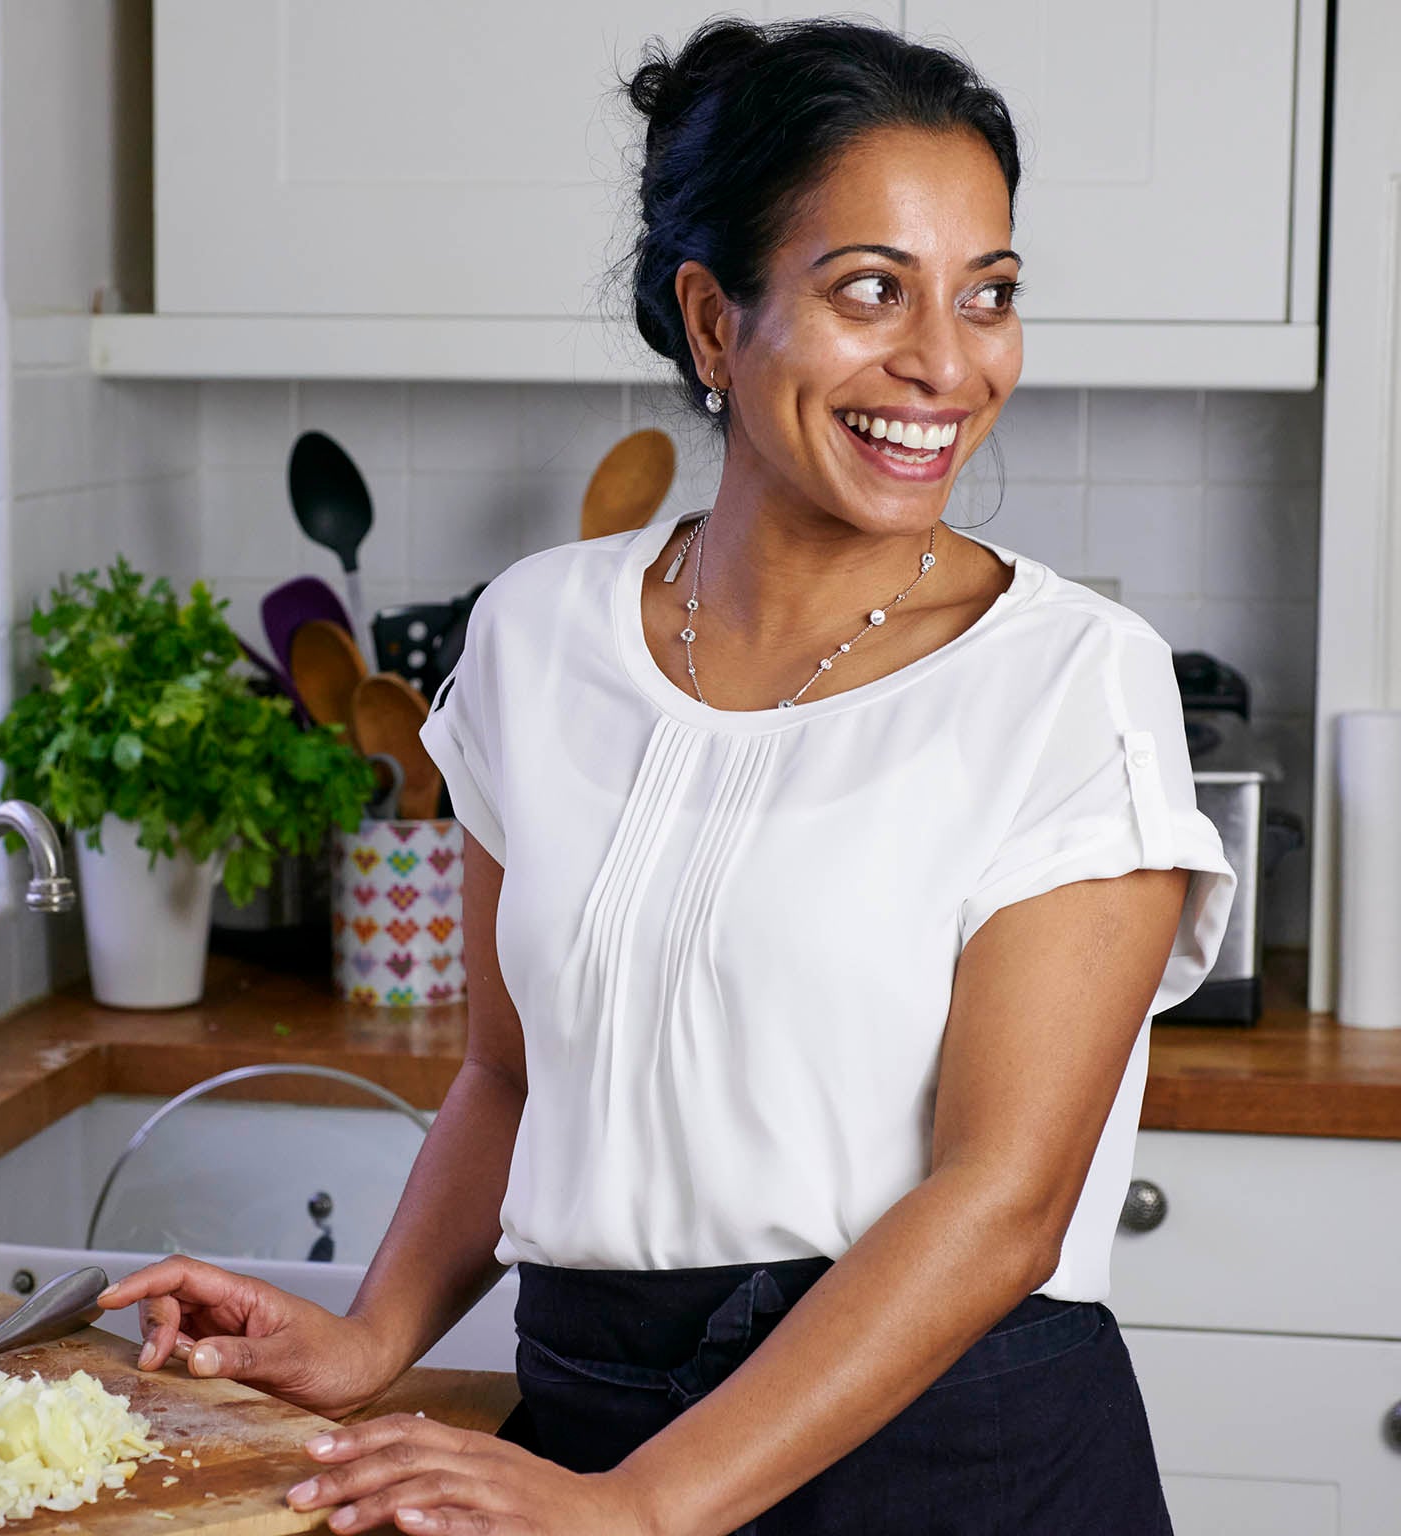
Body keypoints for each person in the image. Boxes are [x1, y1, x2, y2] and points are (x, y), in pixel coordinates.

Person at [96, 16, 1235, 1534]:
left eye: (990, 296)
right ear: (713, 322)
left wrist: (644, 1507)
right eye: (872, 290)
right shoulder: (538, 634)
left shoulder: (1072, 681)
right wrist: (372, 1341)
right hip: (588, 1435)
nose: (947, 365)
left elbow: (1003, 1203)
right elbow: (512, 1074)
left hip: (949, 1465)